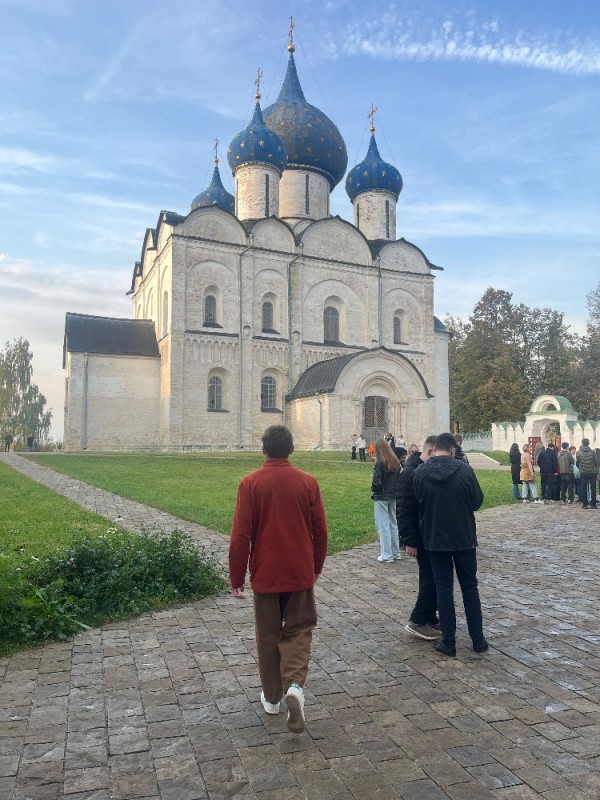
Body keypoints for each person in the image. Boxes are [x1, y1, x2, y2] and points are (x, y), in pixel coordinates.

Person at [229, 425, 328, 733]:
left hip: (265, 573)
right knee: (299, 630)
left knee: (268, 634)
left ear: (264, 451)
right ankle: (295, 686)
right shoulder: (307, 482)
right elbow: (321, 530)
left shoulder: (250, 483)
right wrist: (316, 565)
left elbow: (240, 535)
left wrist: (236, 576)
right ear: (292, 450)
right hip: (298, 571)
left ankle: (272, 698)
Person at [413, 432, 488, 657]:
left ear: (434, 450)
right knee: (470, 588)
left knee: (443, 589)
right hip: (463, 538)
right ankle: (478, 639)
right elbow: (476, 501)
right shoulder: (465, 470)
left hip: (435, 539)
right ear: (454, 450)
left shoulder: (420, 472)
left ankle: (448, 640)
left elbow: (418, 501)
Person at [397, 435, 440, 640]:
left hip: (428, 534)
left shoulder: (419, 469)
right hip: (419, 536)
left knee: (429, 576)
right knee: (430, 578)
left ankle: (430, 616)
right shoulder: (410, 472)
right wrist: (410, 541)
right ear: (430, 451)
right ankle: (418, 620)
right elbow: (404, 509)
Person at [371, 439, 402, 563]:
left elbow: (377, 481)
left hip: (382, 496)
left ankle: (387, 555)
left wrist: (374, 490)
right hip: (394, 495)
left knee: (383, 525)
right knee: (393, 524)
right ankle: (395, 552)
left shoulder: (380, 463)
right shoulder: (396, 462)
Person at [576, 438, 598, 510]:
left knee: (584, 488)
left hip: (583, 472)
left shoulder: (578, 452)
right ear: (588, 443)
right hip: (592, 472)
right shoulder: (592, 452)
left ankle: (585, 504)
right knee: (593, 488)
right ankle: (593, 504)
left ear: (582, 443)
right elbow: (596, 462)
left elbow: (577, 462)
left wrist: (580, 468)